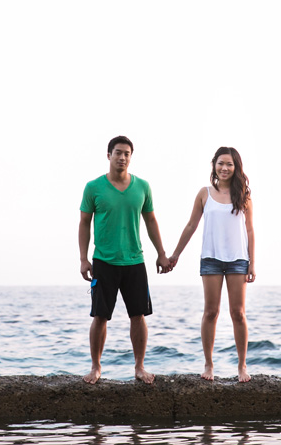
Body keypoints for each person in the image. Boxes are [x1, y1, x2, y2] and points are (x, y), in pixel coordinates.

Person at [79, 135, 172, 384]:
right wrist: (83, 258)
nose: (122, 157)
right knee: (100, 316)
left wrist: (161, 254)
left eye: (127, 153)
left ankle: (139, 367)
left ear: (131, 157)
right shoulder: (93, 187)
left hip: (134, 261)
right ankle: (96, 367)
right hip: (103, 261)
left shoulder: (142, 187)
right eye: (118, 152)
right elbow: (84, 223)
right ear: (108, 155)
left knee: (138, 315)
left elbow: (151, 221)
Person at [168, 146, 256, 383]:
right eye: (220, 163)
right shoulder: (204, 193)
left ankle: (242, 366)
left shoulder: (243, 195)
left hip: (238, 260)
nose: (224, 168)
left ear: (236, 167)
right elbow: (191, 225)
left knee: (238, 313)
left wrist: (252, 263)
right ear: (214, 165)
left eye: (229, 164)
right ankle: (208, 364)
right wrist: (175, 254)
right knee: (211, 312)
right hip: (211, 259)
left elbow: (249, 230)